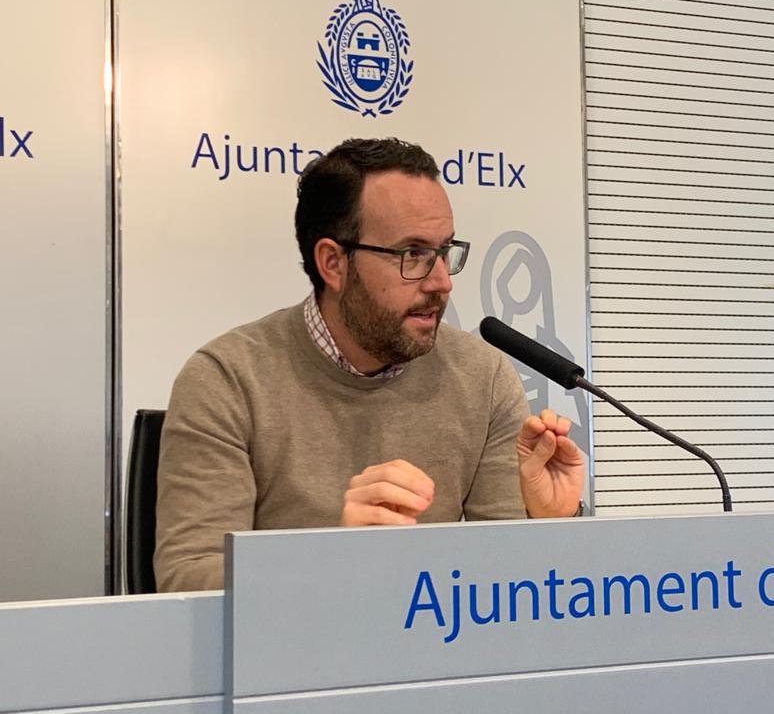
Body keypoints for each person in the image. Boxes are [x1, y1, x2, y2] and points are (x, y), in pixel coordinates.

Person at [154, 137, 585, 592]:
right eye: (412, 254)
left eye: (444, 251)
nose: (442, 282)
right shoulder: (227, 379)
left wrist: (550, 525)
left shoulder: (483, 376)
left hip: (435, 633)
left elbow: (508, 586)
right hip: (297, 639)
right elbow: (188, 580)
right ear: (333, 263)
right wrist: (334, 560)